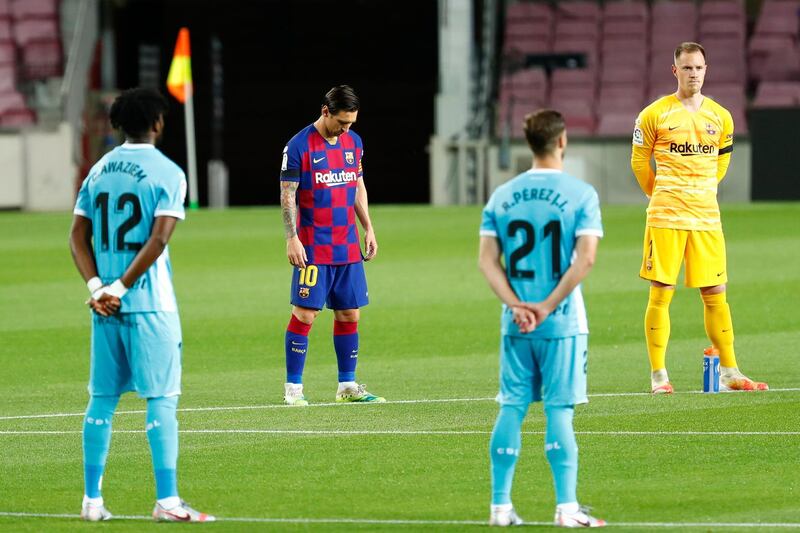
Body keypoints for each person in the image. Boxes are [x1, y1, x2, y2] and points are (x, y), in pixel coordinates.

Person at [69, 88, 214, 522]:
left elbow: (77, 235)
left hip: (105, 309)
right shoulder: (168, 172)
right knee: (162, 399)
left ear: (118, 124)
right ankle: (167, 501)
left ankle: (92, 501)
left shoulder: (96, 171)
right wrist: (122, 288)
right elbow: (159, 238)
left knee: (102, 400)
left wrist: (99, 289)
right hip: (149, 306)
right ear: (157, 122)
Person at [479, 109, 606, 528]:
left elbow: (487, 262)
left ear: (529, 143)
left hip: (514, 324)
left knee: (512, 408)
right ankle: (566, 509)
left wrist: (517, 306)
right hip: (562, 322)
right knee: (559, 412)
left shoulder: (501, 195)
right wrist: (547, 307)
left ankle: (500, 508)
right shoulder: (581, 194)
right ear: (562, 140)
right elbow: (585, 259)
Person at [631, 42, 768, 394]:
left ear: (707, 70)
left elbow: (721, 162)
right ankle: (659, 376)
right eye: (687, 68)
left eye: (699, 68)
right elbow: (638, 161)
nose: (694, 74)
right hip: (666, 216)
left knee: (716, 293)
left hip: (706, 217)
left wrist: (702, 190)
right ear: (675, 71)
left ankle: (730, 372)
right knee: (661, 292)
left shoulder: (721, 117)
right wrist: (658, 194)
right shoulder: (654, 114)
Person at [278, 85, 384, 405]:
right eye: (341, 122)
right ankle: (293, 390)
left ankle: (347, 386)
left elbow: (357, 186)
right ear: (326, 111)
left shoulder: (354, 143)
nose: (346, 129)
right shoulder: (298, 146)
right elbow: (287, 195)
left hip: (347, 246)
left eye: (351, 123)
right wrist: (291, 237)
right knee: (306, 314)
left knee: (350, 314)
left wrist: (368, 228)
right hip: (313, 247)